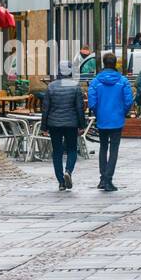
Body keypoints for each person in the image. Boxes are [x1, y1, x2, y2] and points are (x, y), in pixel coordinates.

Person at [87, 52, 133, 192]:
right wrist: (122, 112)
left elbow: (92, 102)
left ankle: (102, 177)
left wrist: (97, 112)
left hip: (102, 119)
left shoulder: (96, 81)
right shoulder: (123, 81)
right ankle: (108, 178)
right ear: (115, 64)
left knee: (103, 148)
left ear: (103, 63)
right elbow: (129, 100)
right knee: (114, 149)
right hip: (117, 119)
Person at [40, 60, 86, 191]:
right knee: (72, 149)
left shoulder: (51, 86)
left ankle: (61, 181)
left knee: (57, 152)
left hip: (54, 124)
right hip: (71, 123)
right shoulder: (75, 86)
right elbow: (79, 108)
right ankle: (68, 171)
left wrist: (44, 127)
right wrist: (82, 125)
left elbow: (46, 108)